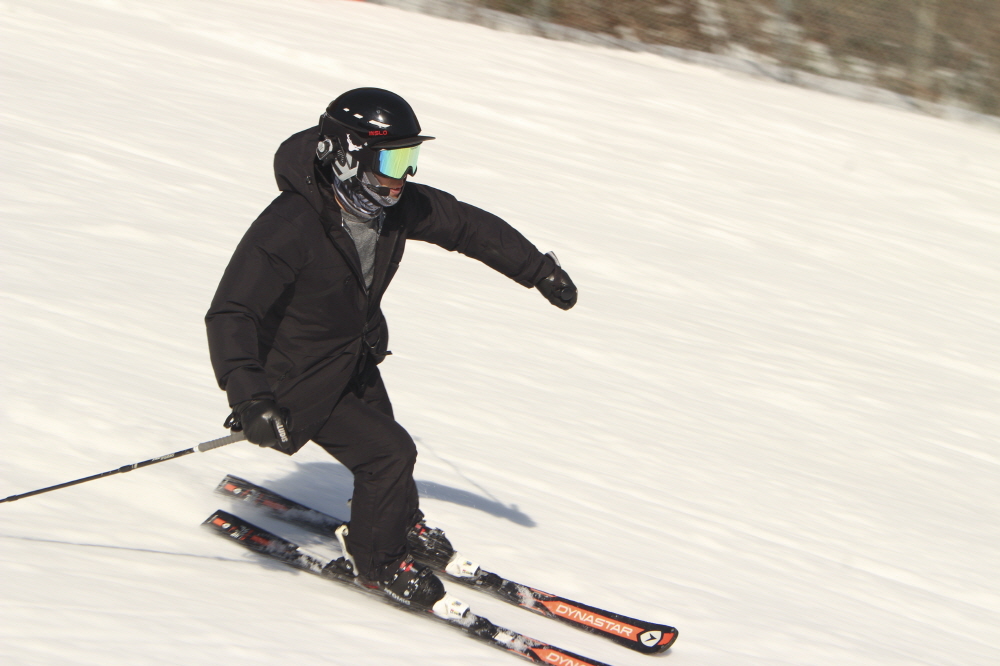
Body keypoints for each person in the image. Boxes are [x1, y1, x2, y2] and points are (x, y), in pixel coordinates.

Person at [205, 88, 577, 615]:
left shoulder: (390, 207)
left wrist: (538, 269)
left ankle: (397, 522)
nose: (404, 177)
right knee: (389, 453)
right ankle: (378, 562)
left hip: (348, 356)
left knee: (386, 439)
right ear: (347, 157)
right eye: (392, 161)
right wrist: (250, 397)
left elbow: (465, 225)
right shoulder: (289, 226)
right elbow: (231, 312)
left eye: (410, 159)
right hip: (294, 379)